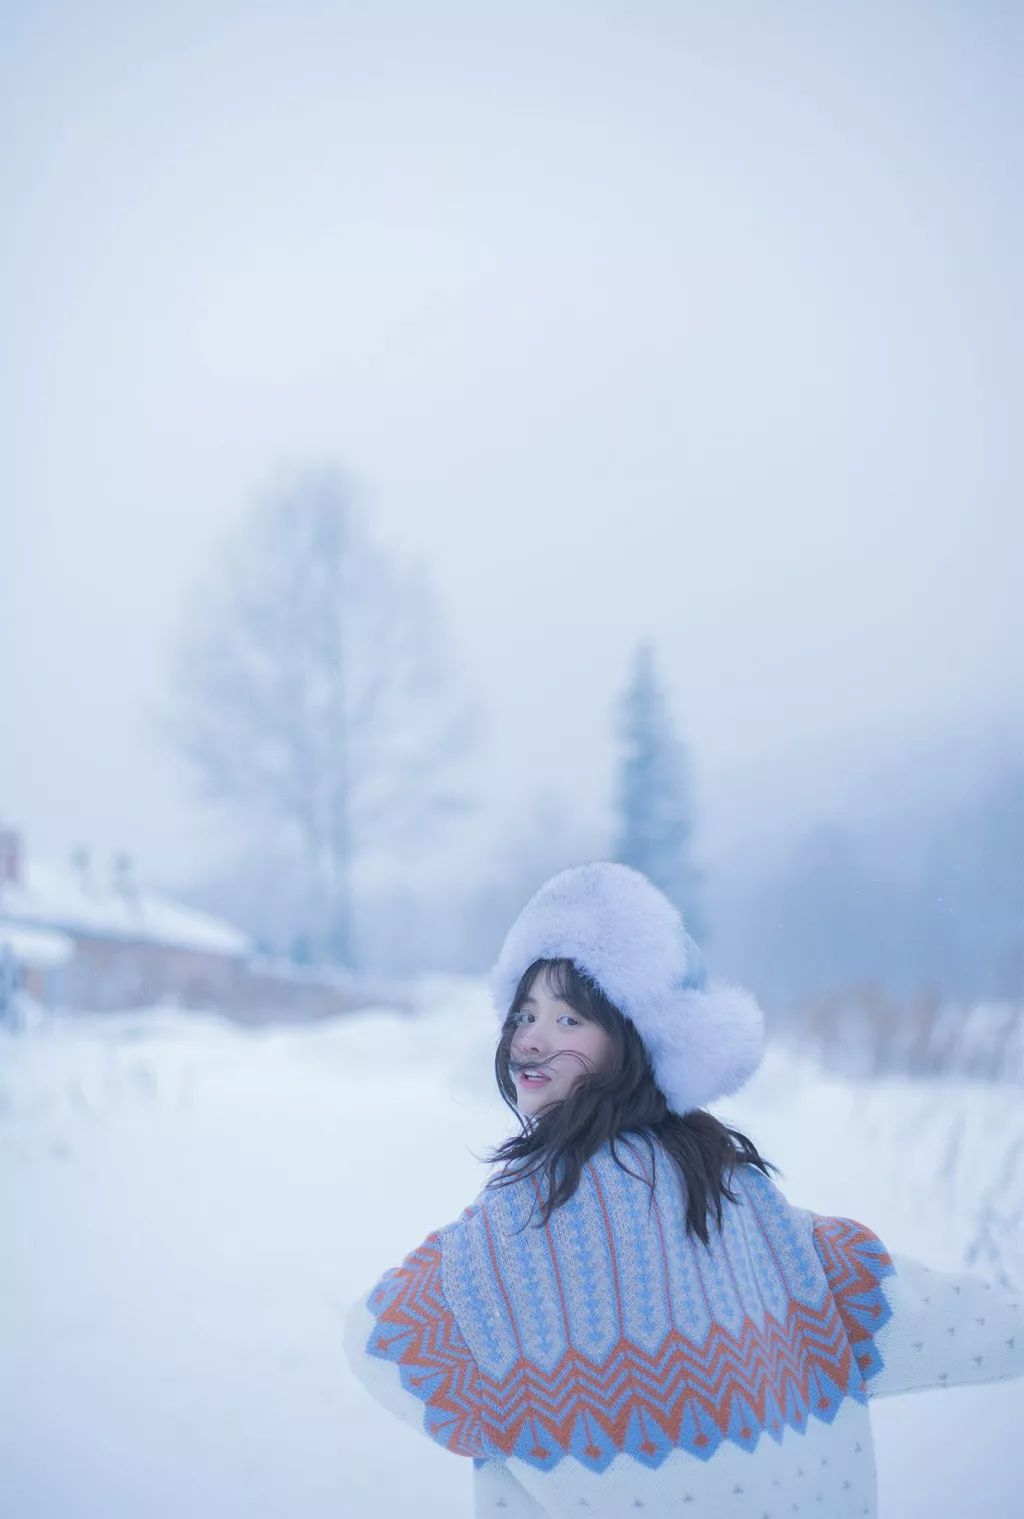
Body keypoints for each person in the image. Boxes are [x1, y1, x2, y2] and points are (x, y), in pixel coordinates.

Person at [343, 862, 1023, 1517]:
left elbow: (382, 1339)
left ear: (638, 1039)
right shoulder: (733, 1184)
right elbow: (906, 1306)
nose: (529, 1039)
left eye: (568, 1019)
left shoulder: (525, 1218)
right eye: (523, 1014)